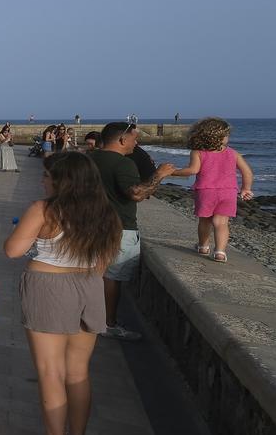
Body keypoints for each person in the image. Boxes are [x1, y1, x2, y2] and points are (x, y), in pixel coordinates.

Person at [4, 152, 123, 435]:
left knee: (50, 373)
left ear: (62, 180)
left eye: (47, 176)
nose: (43, 181)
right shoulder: (106, 214)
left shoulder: (44, 210)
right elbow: (105, 260)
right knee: (78, 372)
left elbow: (12, 250)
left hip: (48, 287)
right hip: (89, 285)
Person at [88, 122, 175, 340]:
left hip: (90, 224)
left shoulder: (89, 159)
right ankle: (107, 323)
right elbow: (136, 193)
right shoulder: (123, 164)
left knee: (92, 274)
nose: (136, 143)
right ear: (121, 140)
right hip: (119, 228)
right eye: (134, 139)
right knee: (111, 278)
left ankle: (87, 316)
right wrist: (159, 174)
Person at [168, 118, 254, 263]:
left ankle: (203, 246)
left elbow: (192, 170)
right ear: (220, 137)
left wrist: (172, 172)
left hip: (206, 192)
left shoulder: (198, 152)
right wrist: (246, 189)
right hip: (228, 192)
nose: (228, 138)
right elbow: (247, 172)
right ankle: (220, 252)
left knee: (205, 221)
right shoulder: (233, 153)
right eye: (227, 135)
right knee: (221, 222)